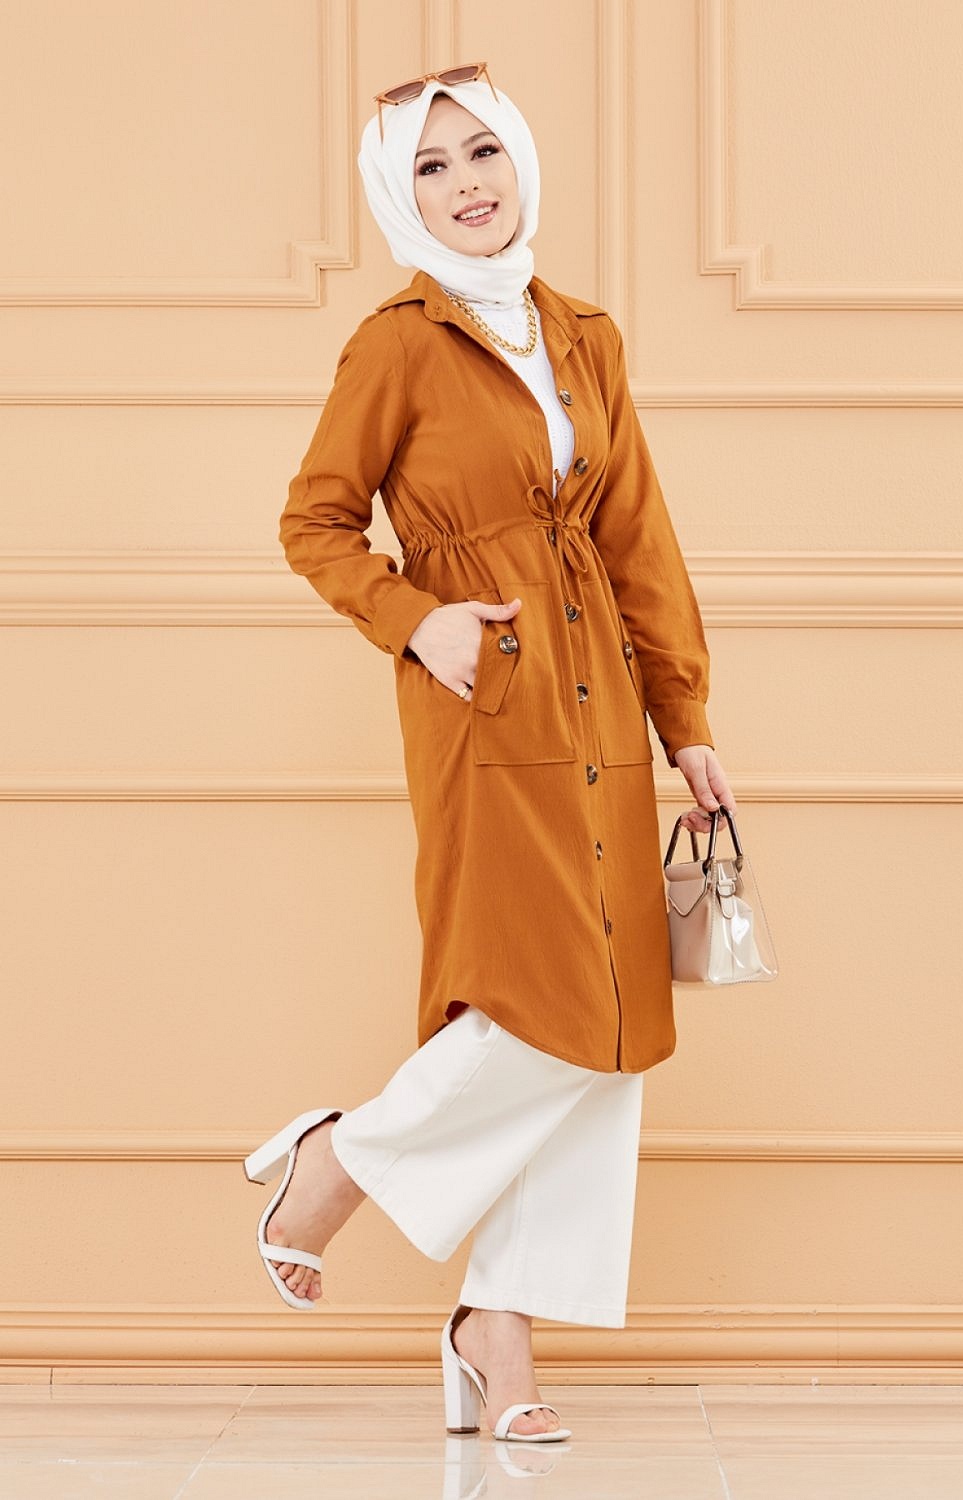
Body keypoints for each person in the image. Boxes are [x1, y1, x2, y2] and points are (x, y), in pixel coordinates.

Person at [244, 63, 736, 1444]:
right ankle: (339, 1161)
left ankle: (495, 1336)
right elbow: (315, 522)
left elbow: (638, 539)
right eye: (431, 166)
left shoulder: (586, 336)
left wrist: (687, 721)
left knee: (612, 1023)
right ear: (399, 197)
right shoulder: (396, 346)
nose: (467, 185)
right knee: (531, 1000)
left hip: (603, 710)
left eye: (483, 154)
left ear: (520, 161)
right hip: (484, 706)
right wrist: (421, 621)